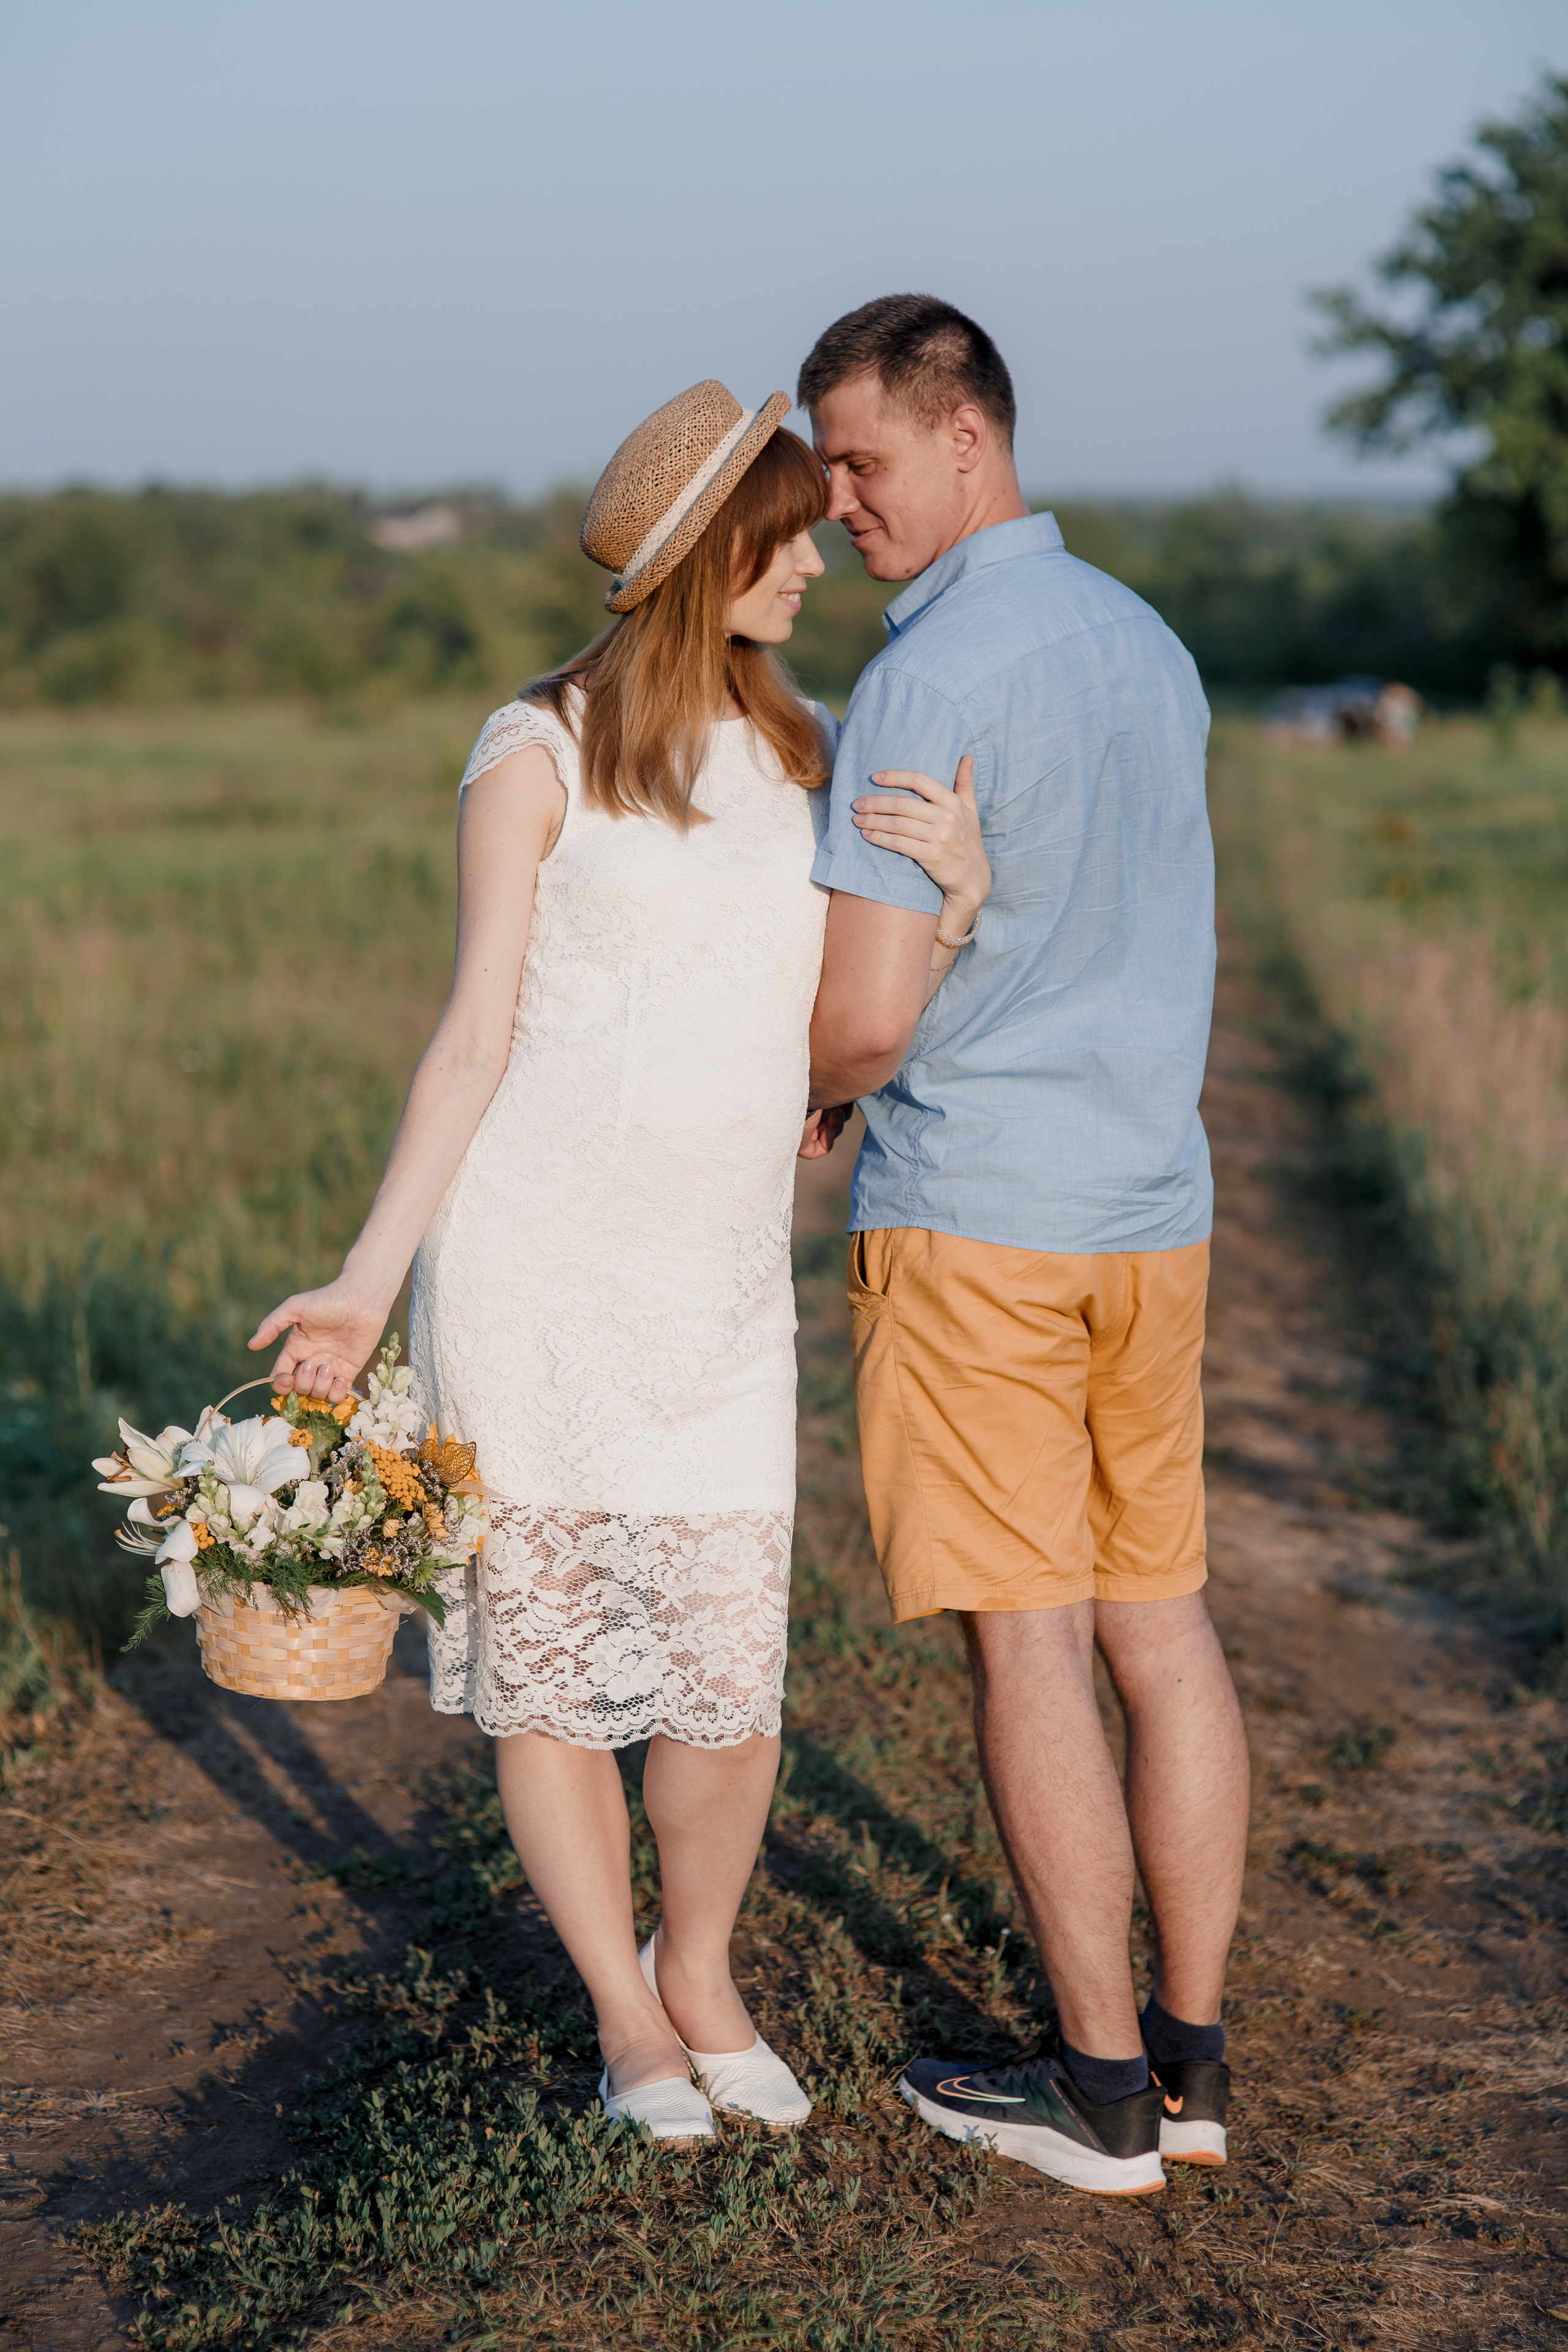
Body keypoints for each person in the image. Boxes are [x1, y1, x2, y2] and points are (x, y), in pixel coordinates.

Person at [247, 379, 990, 2143]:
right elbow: (471, 1040)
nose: (816, 560)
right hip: (534, 1271)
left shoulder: (805, 755)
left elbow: (839, 1023)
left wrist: (953, 907)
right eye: (788, 533)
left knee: (729, 1687)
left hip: (723, 1293)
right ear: (702, 556)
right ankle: (626, 2019)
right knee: (558, 1681)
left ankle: (705, 1969)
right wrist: (367, 1281)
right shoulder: (534, 753)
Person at [799, 295, 1250, 2196]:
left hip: (983, 1216)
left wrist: (814, 1094)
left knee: (1030, 1643)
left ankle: (1091, 2090)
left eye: (860, 460)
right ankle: (1195, 2065)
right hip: (1154, 1218)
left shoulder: (928, 678)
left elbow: (871, 1014)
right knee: (1163, 1622)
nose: (834, 507)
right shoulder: (1148, 645)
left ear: (963, 436)